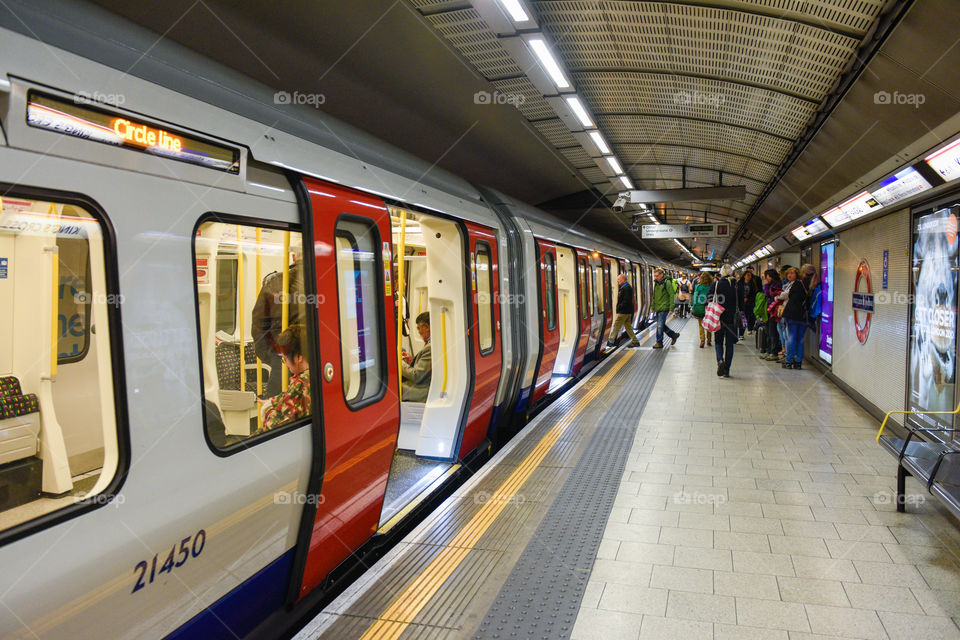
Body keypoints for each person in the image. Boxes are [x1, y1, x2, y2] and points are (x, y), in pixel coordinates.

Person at [252, 248, 305, 397]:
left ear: (293, 256)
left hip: (283, 359)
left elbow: (258, 325)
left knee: (278, 412)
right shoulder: (326, 279)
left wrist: (275, 356)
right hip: (317, 360)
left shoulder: (275, 282)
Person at [256, 324, 310, 433]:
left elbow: (272, 427)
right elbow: (289, 397)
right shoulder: (314, 374)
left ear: (299, 357)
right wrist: (273, 401)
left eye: (285, 359)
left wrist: (267, 408)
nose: (286, 365)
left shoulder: (300, 385)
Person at [708, 265, 738, 377]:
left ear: (721, 272)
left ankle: (720, 361)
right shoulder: (736, 284)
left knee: (718, 342)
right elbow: (741, 303)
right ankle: (727, 370)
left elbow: (708, 299)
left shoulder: (716, 284)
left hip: (718, 318)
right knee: (730, 344)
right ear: (731, 272)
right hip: (732, 319)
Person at [778, 267, 808, 369]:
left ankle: (789, 361)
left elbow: (789, 296)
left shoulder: (795, 284)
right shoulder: (806, 284)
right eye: (788, 273)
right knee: (800, 339)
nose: (789, 275)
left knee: (791, 337)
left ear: (797, 274)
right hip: (803, 315)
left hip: (792, 314)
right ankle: (798, 362)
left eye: (792, 273)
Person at [401, 312, 432, 402]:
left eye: (419, 328)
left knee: (392, 387)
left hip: (422, 390)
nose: (419, 332)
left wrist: (400, 363)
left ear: (426, 327)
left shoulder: (430, 347)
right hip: (423, 384)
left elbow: (416, 376)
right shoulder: (431, 344)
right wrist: (412, 361)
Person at [608, 272, 641, 348]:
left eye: (619, 279)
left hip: (624, 311)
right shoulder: (625, 287)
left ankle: (610, 341)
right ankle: (635, 341)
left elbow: (626, 300)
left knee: (616, 325)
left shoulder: (626, 288)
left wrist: (620, 307)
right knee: (628, 327)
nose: (618, 281)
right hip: (627, 311)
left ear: (623, 279)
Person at [651, 269, 680, 349]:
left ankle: (659, 342)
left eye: (657, 276)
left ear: (661, 275)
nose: (655, 277)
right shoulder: (656, 283)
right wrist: (653, 306)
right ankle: (673, 335)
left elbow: (671, 295)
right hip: (658, 307)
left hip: (664, 307)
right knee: (661, 325)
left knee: (660, 325)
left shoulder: (667, 282)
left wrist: (671, 308)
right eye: (655, 276)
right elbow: (654, 296)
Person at [760, 269, 782, 361]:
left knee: (773, 332)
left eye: (767, 276)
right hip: (768, 310)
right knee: (768, 331)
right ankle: (769, 351)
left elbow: (767, 294)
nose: (766, 278)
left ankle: (773, 352)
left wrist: (766, 286)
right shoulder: (770, 285)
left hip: (774, 310)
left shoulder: (777, 285)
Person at [692, 272, 713, 349]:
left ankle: (702, 340)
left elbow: (695, 298)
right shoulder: (711, 286)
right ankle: (709, 340)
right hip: (709, 307)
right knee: (708, 324)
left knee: (701, 324)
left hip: (699, 307)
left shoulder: (698, 287)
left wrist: (693, 307)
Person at [738, 270, 760, 340]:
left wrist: (748, 298)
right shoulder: (739, 283)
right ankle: (741, 333)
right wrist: (742, 299)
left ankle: (749, 328)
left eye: (750, 275)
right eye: (747, 275)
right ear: (744, 276)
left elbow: (754, 294)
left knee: (749, 317)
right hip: (741, 304)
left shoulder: (753, 284)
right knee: (742, 318)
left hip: (750, 303)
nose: (749, 277)